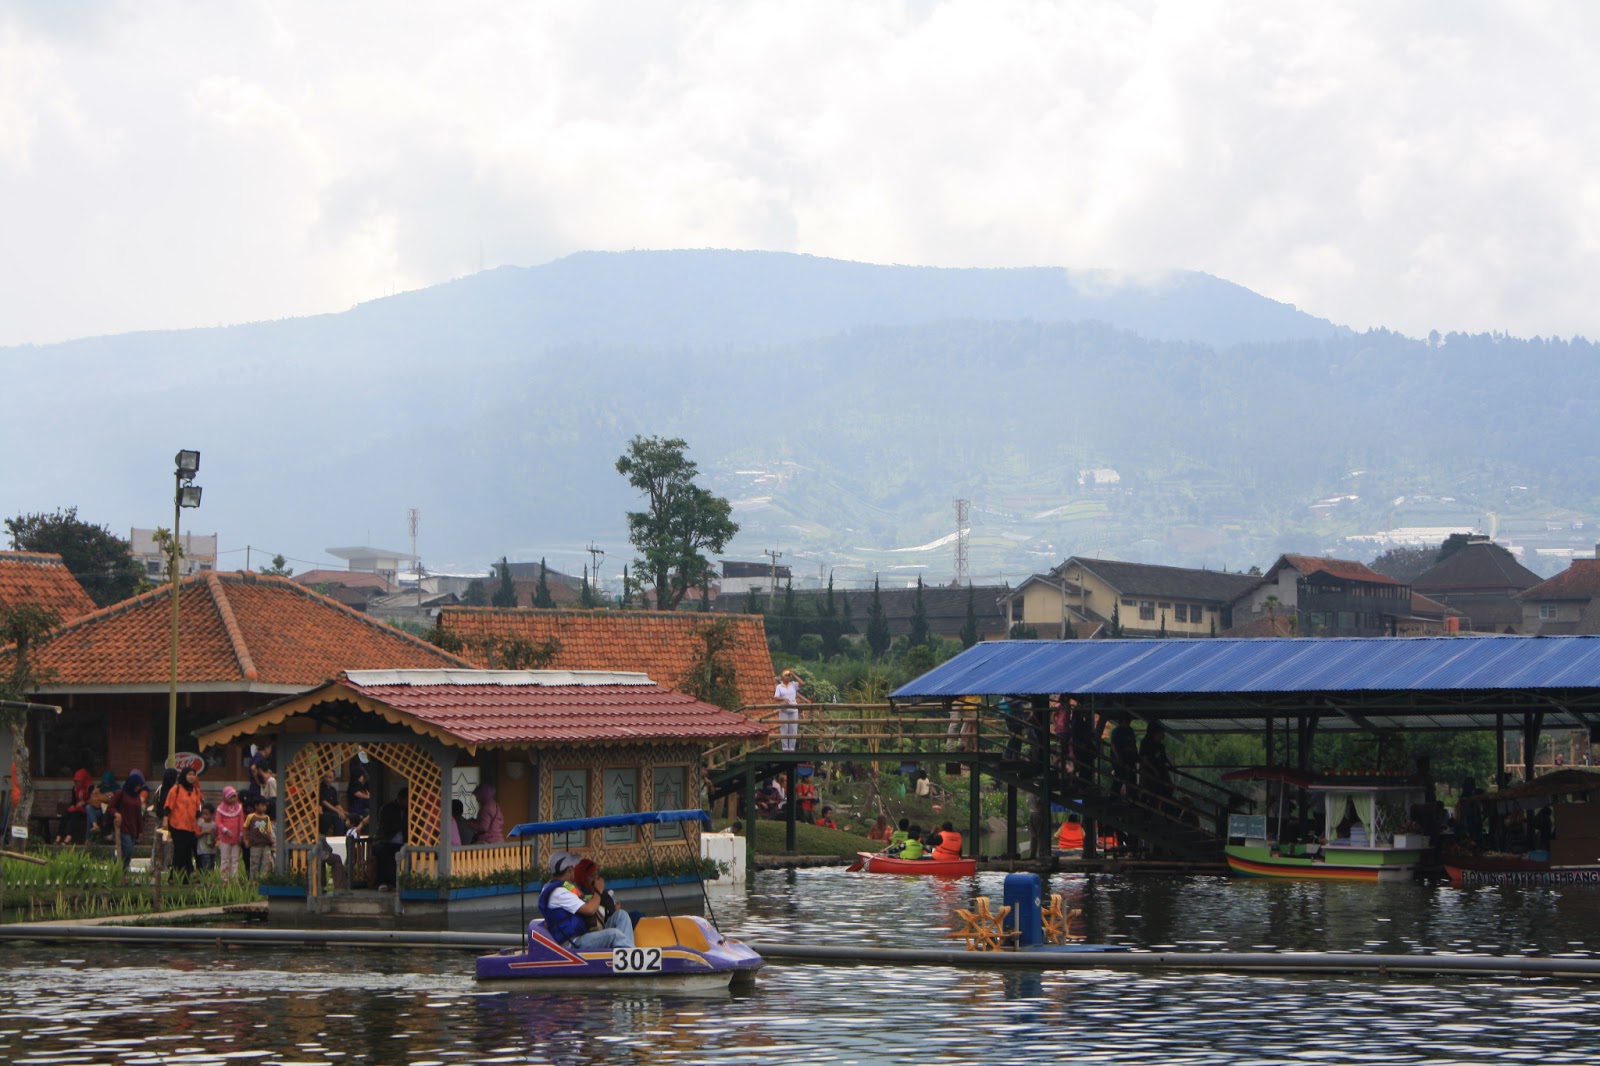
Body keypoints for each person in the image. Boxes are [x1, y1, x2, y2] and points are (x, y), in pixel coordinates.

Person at [539, 857, 634, 949]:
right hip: (573, 942)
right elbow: (590, 910)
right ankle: (635, 959)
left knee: (621, 916)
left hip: (583, 933)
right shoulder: (559, 893)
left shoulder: (564, 888)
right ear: (569, 870)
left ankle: (628, 956)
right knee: (614, 934)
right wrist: (598, 890)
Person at [162, 766, 203, 877]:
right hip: (177, 825)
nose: (191, 777)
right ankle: (174, 876)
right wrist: (165, 819)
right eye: (189, 774)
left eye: (193, 775)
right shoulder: (176, 789)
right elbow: (168, 806)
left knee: (187, 852)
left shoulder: (195, 791)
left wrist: (199, 821)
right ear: (184, 776)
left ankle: (185, 877)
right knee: (179, 851)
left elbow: (197, 807)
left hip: (190, 826)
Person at [111, 770, 148, 868]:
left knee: (129, 851)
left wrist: (140, 831)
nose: (138, 788)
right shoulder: (120, 793)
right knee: (126, 848)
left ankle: (123, 869)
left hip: (133, 827)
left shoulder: (136, 798)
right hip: (123, 826)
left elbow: (139, 815)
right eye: (137, 785)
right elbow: (111, 807)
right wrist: (116, 813)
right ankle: (117, 866)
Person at [214, 785, 245, 881]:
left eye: (234, 796)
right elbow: (218, 822)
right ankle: (224, 878)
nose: (233, 799)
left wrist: (241, 834)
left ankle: (235, 878)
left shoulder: (239, 808)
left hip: (236, 838)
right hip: (225, 838)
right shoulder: (220, 809)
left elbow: (241, 821)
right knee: (225, 859)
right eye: (230, 797)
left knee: (235, 859)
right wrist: (225, 830)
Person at [774, 669, 805, 752]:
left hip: (793, 709)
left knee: (793, 729)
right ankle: (785, 748)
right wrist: (783, 699)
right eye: (786, 676)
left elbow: (802, 683)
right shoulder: (779, 687)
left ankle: (791, 748)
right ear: (782, 677)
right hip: (784, 709)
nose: (788, 677)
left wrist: (794, 674)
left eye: (789, 676)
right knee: (784, 728)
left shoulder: (793, 685)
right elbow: (776, 697)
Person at [244, 798, 276, 878]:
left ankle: (263, 880)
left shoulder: (266, 818)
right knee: (254, 863)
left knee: (265, 863)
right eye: (262, 805)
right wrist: (245, 840)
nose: (264, 808)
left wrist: (271, 840)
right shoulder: (251, 817)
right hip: (255, 845)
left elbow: (269, 831)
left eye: (265, 806)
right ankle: (253, 880)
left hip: (266, 845)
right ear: (256, 806)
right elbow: (245, 828)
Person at [1110, 713, 1138, 799]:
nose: (1128, 723)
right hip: (1120, 758)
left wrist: (1136, 756)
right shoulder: (1117, 731)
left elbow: (1133, 744)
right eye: (1127, 721)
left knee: (1132, 778)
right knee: (1119, 778)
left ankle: (1131, 798)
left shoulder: (1130, 730)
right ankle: (1114, 798)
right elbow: (1113, 745)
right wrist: (1118, 758)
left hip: (1130, 758)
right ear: (1122, 721)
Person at [318, 770, 346, 837]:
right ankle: (337, 838)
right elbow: (325, 803)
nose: (328, 779)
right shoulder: (319, 788)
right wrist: (338, 812)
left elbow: (336, 804)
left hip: (332, 812)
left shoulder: (333, 789)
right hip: (323, 813)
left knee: (349, 817)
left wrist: (344, 812)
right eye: (326, 777)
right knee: (337, 818)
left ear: (334, 778)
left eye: (330, 777)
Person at [196, 803, 218, 871]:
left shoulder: (214, 825)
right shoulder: (201, 824)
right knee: (206, 866)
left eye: (206, 814)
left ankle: (210, 880)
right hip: (203, 850)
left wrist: (215, 840)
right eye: (203, 814)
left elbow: (216, 835)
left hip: (212, 849)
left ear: (212, 814)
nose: (204, 816)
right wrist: (205, 832)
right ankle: (205, 880)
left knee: (211, 866)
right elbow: (196, 834)